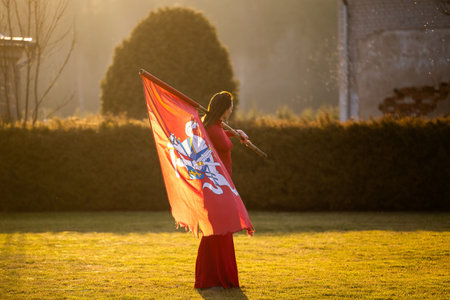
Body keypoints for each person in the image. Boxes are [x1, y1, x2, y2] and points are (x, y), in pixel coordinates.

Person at [195, 91, 248, 289]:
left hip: (220, 186)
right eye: (231, 106)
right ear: (224, 109)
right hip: (218, 187)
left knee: (217, 232)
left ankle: (210, 279)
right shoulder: (212, 129)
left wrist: (235, 132)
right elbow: (217, 137)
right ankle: (215, 278)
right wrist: (235, 134)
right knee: (220, 231)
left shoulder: (213, 126)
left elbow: (219, 134)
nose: (232, 109)